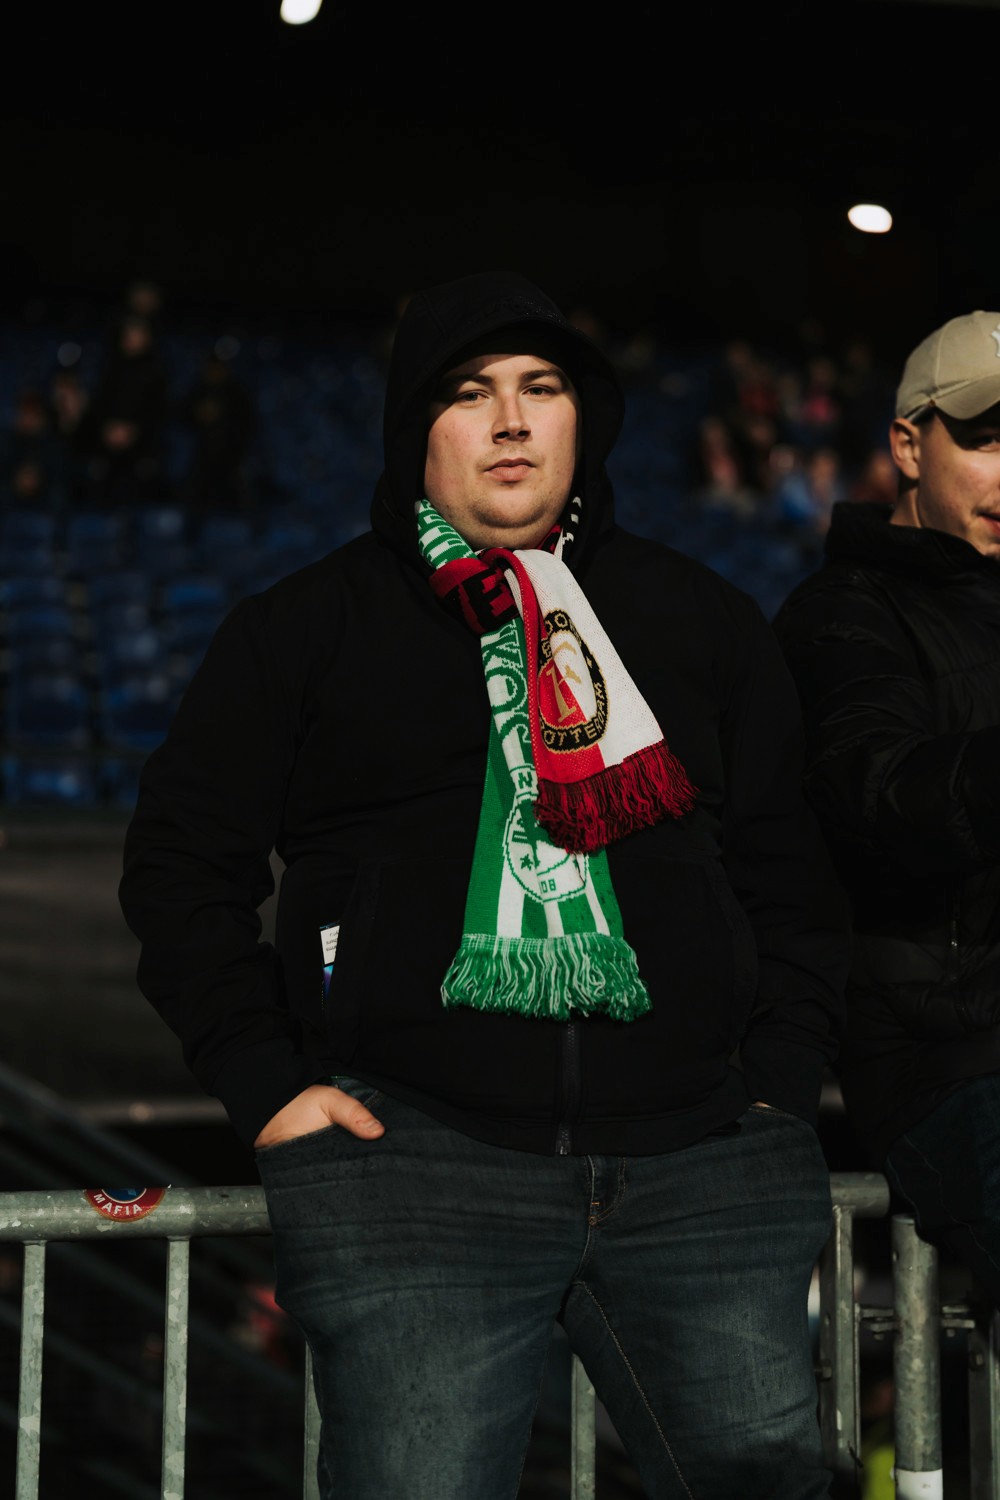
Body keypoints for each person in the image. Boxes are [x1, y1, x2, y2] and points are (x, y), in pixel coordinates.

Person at [120, 271, 848, 1499]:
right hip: (414, 1164)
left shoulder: (702, 619)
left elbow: (791, 872)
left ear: (581, 419)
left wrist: (773, 1085)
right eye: (468, 394)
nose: (510, 421)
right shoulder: (304, 626)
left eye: (540, 388)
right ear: (416, 431)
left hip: (701, 1162)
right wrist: (266, 1083)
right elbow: (182, 866)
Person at [774, 310, 1000, 1307]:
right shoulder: (844, 614)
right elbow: (878, 796)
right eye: (986, 439)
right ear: (909, 446)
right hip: (951, 1063)